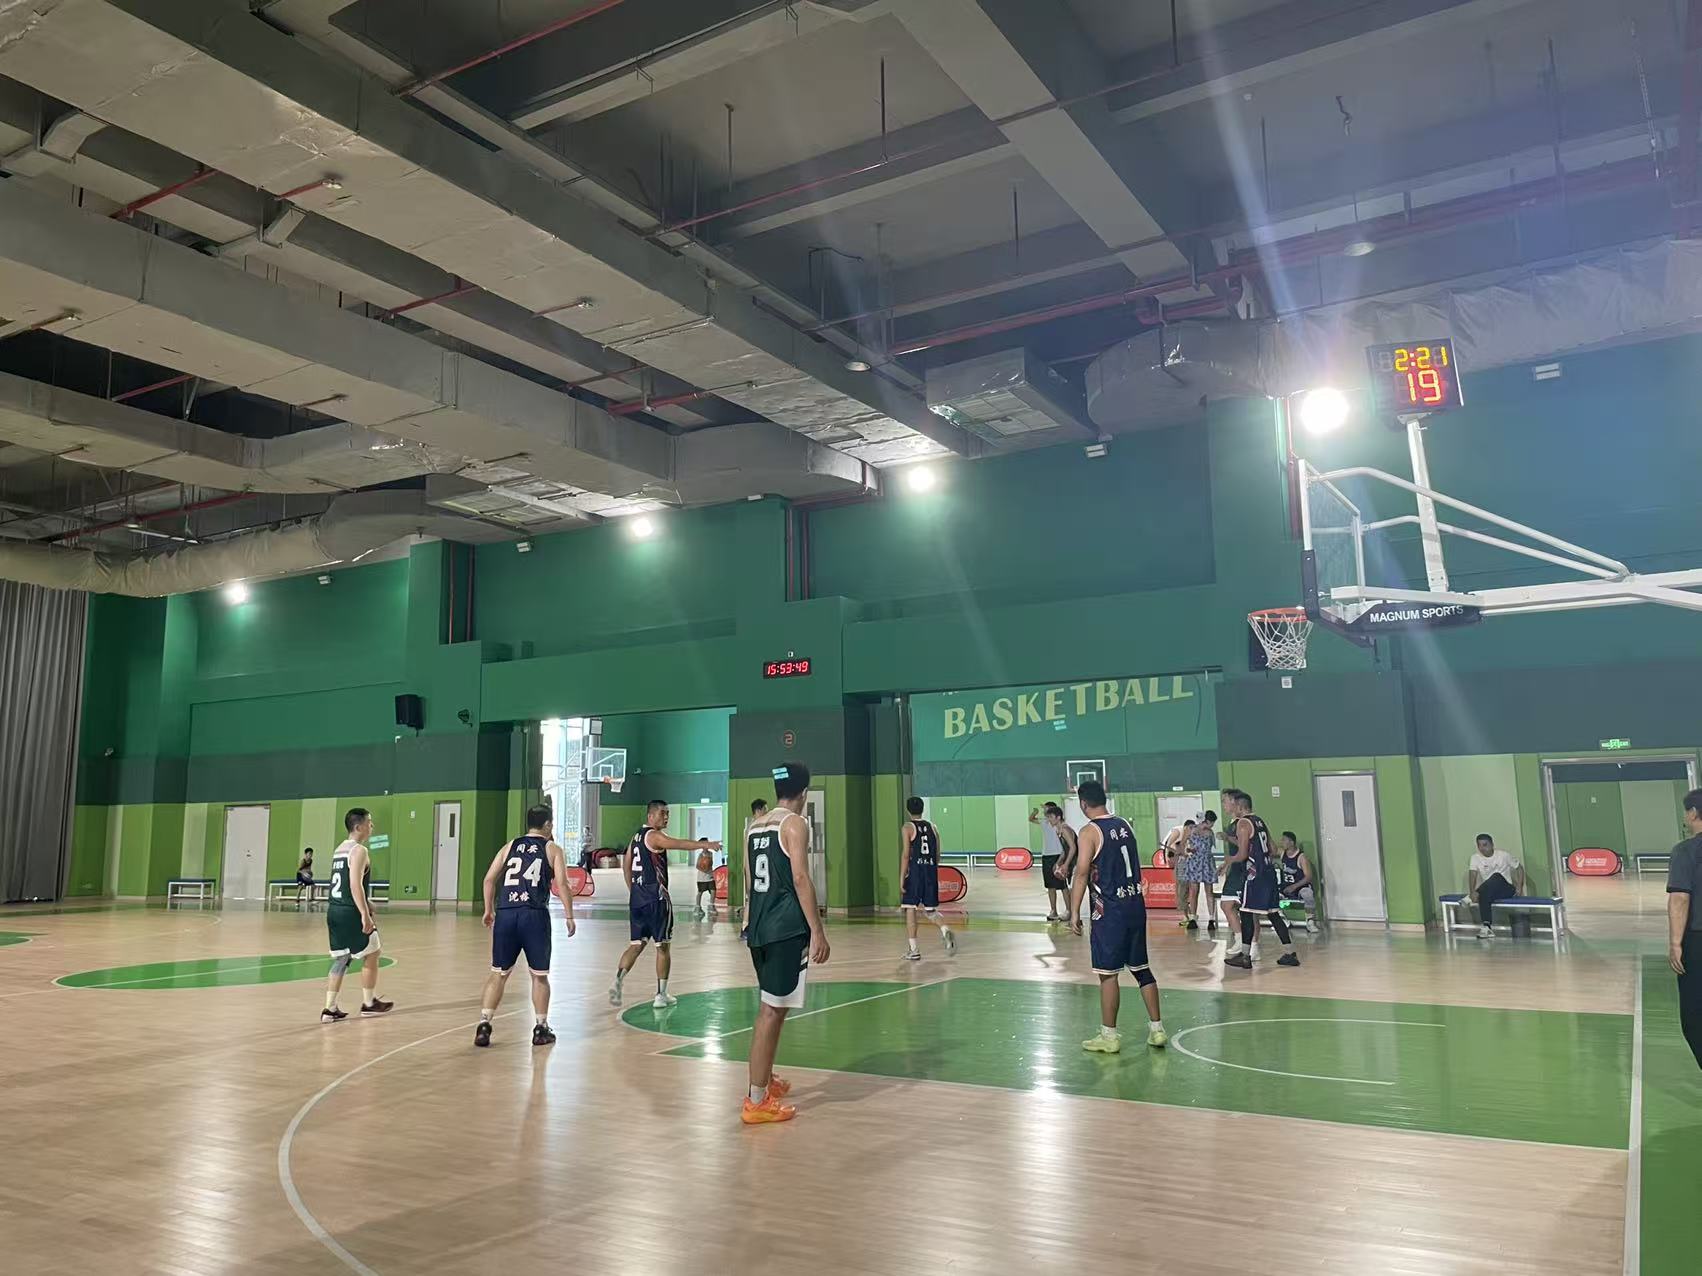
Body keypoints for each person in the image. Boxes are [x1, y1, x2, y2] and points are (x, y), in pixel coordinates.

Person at [740, 762, 831, 1124]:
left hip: (759, 929)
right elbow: (800, 878)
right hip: (784, 929)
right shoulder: (795, 824)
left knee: (773, 1008)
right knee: (771, 1012)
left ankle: (765, 1078)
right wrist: (818, 930)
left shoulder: (754, 826)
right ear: (804, 793)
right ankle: (756, 1100)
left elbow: (749, 879)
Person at [1068, 779, 1166, 1052]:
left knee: (1108, 974)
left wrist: (1074, 911)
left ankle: (1109, 1036)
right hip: (1135, 905)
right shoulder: (1125, 825)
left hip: (1110, 911)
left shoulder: (1089, 831)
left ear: (1083, 804)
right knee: (1141, 968)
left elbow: (1082, 873)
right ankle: (1157, 1029)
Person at [475, 805, 576, 1047]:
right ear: (548, 824)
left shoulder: (510, 846)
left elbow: (488, 879)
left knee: (498, 973)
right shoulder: (552, 849)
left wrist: (489, 910)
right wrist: (569, 915)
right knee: (539, 977)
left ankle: (484, 1024)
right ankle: (541, 1028)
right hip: (534, 916)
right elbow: (562, 884)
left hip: (506, 914)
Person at [608, 800, 720, 1009]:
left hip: (638, 900)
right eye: (662, 813)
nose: (666, 817)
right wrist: (705, 845)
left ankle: (618, 981)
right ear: (650, 816)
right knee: (663, 947)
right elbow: (678, 844)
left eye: (668, 813)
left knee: (636, 945)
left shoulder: (636, 837)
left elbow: (626, 865)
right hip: (656, 899)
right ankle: (661, 994)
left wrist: (633, 891)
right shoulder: (655, 836)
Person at [320, 808, 392, 1023]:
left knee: (342, 958)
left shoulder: (339, 849)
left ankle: (329, 1008)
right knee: (373, 952)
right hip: (350, 912)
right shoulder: (359, 850)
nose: (372, 826)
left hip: (334, 910)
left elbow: (343, 884)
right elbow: (354, 884)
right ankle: (369, 1003)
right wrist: (364, 914)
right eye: (370, 823)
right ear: (359, 826)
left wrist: (366, 902)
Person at [1221, 788, 1299, 970]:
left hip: (1255, 876)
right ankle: (1290, 953)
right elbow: (1273, 849)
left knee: (1246, 913)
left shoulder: (1243, 824)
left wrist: (1228, 860)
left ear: (1240, 807)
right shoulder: (1260, 821)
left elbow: (1241, 855)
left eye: (1233, 805)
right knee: (1273, 914)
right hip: (1269, 872)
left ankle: (1245, 957)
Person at [1666, 789, 1702, 1069]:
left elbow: (1680, 898)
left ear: (1692, 813)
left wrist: (1675, 943)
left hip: (1696, 941)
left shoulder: (1685, 851)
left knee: (1694, 1014)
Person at [901, 797, 956, 958]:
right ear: (923, 809)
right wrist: (931, 869)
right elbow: (937, 854)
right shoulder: (933, 827)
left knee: (910, 908)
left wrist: (902, 876)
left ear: (907, 810)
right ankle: (945, 929)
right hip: (930, 872)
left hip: (916, 873)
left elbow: (906, 855)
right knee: (930, 911)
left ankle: (914, 950)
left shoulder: (907, 827)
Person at [1467, 833, 1523, 939]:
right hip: (1490, 891)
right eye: (1479, 845)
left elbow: (1519, 868)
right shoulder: (1475, 858)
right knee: (1484, 894)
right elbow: (1472, 874)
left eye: (1485, 845)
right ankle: (1486, 927)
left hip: (1507, 889)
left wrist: (1520, 886)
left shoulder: (1503, 855)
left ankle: (1474, 894)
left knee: (1496, 876)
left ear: (1492, 845)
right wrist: (1472, 891)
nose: (1482, 848)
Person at [1033, 803, 1076, 921]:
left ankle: (1071, 913)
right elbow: (1065, 850)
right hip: (1065, 860)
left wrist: (1065, 864)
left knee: (1070, 888)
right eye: (1048, 817)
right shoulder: (1058, 829)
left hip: (1076, 863)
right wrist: (1059, 862)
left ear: (1058, 817)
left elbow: (1073, 848)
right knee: (1054, 886)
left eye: (1051, 817)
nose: (1048, 819)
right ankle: (1065, 913)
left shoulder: (1065, 829)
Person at [1217, 794, 1247, 956]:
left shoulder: (1243, 823)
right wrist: (1226, 864)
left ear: (1235, 802)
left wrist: (1227, 838)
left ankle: (1248, 944)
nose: (1223, 804)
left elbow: (1244, 847)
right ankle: (1242, 940)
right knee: (1228, 905)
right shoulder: (1233, 823)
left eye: (1225, 801)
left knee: (1246, 911)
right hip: (1235, 868)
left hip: (1244, 870)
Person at [1180, 813, 1219, 933]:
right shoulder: (1190, 830)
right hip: (1194, 862)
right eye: (1212, 823)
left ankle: (1211, 919)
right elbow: (1182, 844)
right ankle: (1193, 918)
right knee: (1194, 891)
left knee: (1209, 891)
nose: (1212, 826)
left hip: (1207, 862)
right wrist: (1187, 853)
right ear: (1207, 821)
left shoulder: (1210, 833)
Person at [1277, 831, 1320, 934]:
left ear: (1291, 842)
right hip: (1286, 886)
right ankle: (1282, 920)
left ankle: (1310, 921)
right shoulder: (1282, 853)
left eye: (1284, 840)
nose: (1281, 842)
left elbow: (1308, 876)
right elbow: (1271, 848)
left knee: (1308, 894)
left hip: (1300, 886)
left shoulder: (1301, 857)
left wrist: (1294, 886)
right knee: (1270, 894)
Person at [1163, 819, 1192, 928]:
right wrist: (1169, 858)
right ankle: (1187, 916)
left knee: (1186, 891)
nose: (1191, 830)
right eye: (1190, 828)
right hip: (1180, 865)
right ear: (1186, 827)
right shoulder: (1178, 831)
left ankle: (1189, 916)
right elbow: (1169, 847)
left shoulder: (1190, 836)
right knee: (1181, 891)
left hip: (1187, 865)